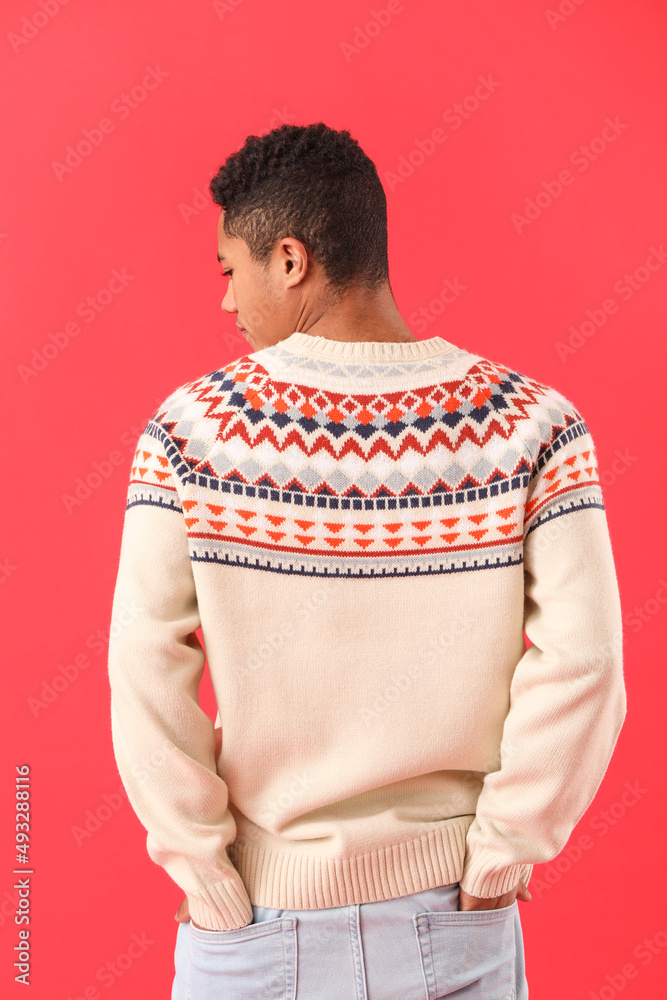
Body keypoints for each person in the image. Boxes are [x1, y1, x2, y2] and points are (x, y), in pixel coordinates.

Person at [107, 122, 626, 1000]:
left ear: (290, 259)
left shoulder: (190, 432)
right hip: (454, 925)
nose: (226, 303)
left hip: (253, 930)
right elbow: (587, 665)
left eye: (230, 270)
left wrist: (212, 883)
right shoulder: (531, 425)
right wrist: (498, 859)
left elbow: (144, 671)